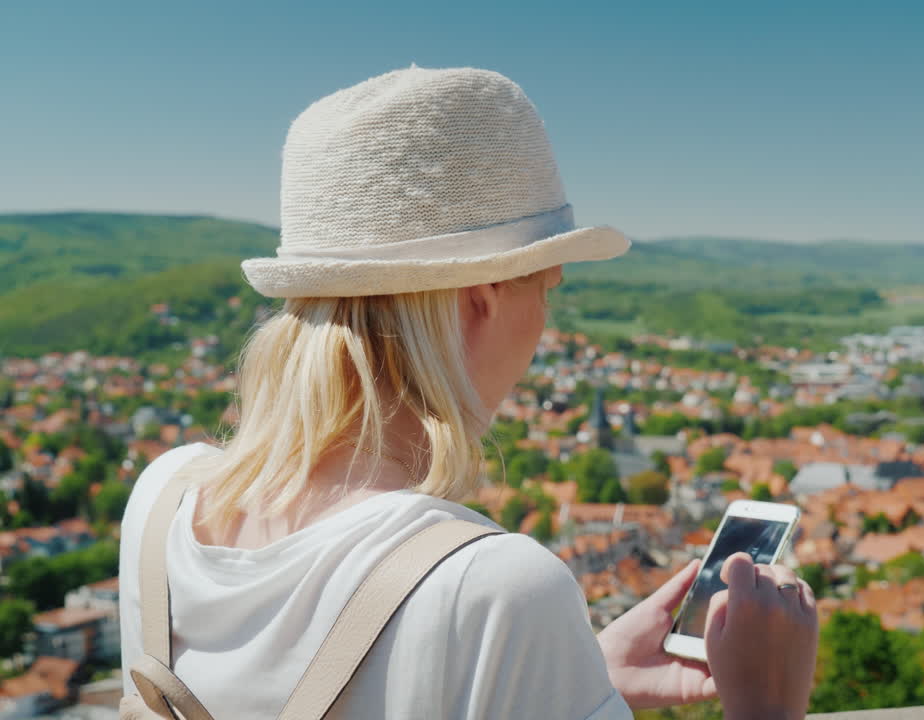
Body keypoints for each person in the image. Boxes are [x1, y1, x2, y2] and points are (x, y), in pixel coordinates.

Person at [118, 66, 819, 719]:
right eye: (547, 288)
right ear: (483, 300)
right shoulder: (494, 586)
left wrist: (571, 670)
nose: (546, 320)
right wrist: (765, 700)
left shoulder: (161, 497)